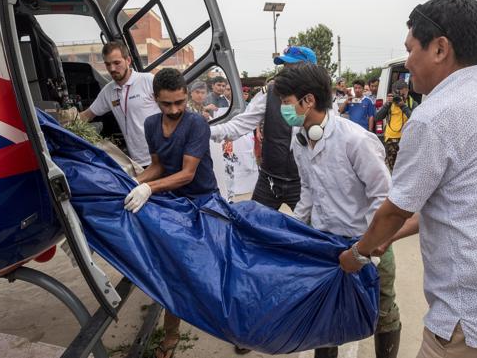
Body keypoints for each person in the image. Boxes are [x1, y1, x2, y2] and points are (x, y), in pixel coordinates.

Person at [339, 0, 477, 358]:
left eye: (410, 48)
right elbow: (457, 202)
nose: (407, 62)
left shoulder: (435, 116)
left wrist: (358, 253)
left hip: (471, 323)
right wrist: (386, 238)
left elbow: (395, 210)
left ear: (439, 48)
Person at [274, 64, 401, 358]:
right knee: (326, 315)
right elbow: (307, 190)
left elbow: (382, 196)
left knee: (382, 313)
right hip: (326, 243)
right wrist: (294, 228)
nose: (282, 108)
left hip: (367, 242)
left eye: (286, 101)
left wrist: (369, 248)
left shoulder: (355, 140)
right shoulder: (300, 139)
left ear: (308, 101)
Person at [124, 68, 219, 358]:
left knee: (213, 269)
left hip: (203, 202)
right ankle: (172, 332)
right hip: (173, 200)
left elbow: (188, 174)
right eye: (167, 104)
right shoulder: (152, 125)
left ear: (186, 96)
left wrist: (149, 189)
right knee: (174, 269)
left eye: (180, 102)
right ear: (155, 100)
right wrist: (131, 182)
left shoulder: (196, 125)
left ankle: (233, 325)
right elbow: (158, 166)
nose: (175, 109)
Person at [210, 46, 318, 212]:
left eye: (293, 68)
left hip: (303, 183)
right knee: (253, 225)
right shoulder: (270, 93)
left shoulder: (321, 100)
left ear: (310, 70)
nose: (286, 72)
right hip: (269, 180)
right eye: (285, 67)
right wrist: (209, 131)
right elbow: (241, 123)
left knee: (314, 231)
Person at [79, 41, 159, 167]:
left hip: (161, 157)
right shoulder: (108, 91)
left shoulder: (148, 80)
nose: (112, 69)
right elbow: (86, 116)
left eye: (117, 63)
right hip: (137, 162)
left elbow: (171, 110)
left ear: (128, 60)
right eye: (107, 64)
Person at [374, 79, 418, 171]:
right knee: (393, 170)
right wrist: (386, 105)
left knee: (407, 169)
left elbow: (415, 120)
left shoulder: (412, 103)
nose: (400, 97)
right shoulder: (390, 104)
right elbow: (377, 118)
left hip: (407, 139)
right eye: (398, 94)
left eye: (403, 94)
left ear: (407, 90)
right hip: (391, 140)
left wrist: (403, 106)